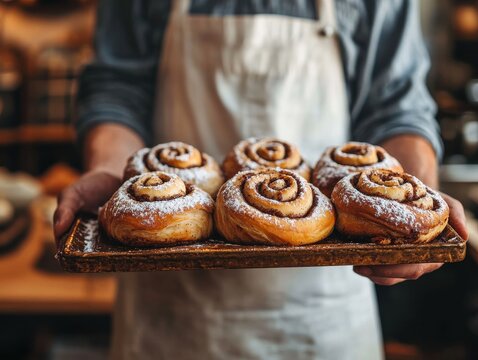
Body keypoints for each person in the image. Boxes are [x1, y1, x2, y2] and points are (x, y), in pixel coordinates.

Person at [54, 1, 468, 359]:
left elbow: (397, 105)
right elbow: (116, 86)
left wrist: (412, 206)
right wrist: (110, 169)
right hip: (169, 308)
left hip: (322, 310)